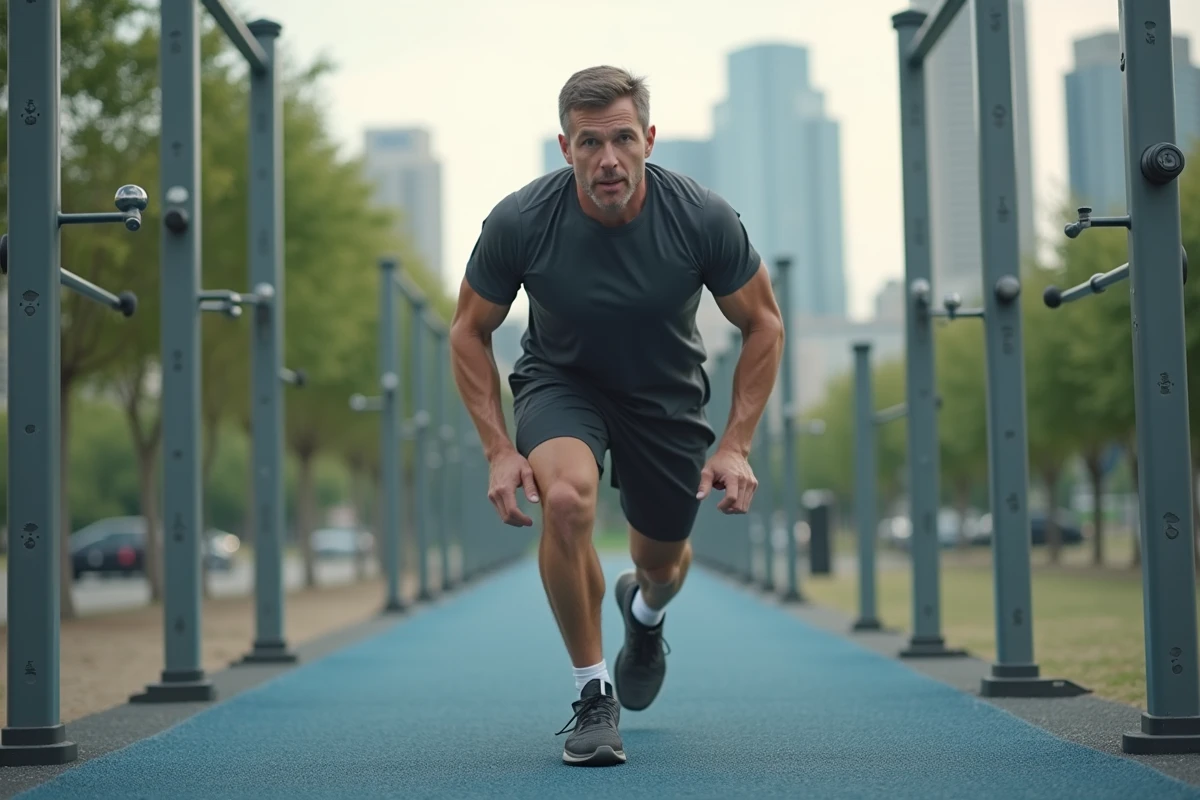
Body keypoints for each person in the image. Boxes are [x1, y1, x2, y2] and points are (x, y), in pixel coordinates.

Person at [448, 65, 784, 767]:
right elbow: (466, 330)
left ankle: (646, 613)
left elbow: (765, 325)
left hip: (664, 399)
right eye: (589, 142)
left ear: (649, 140)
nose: (608, 159)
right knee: (566, 500)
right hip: (561, 382)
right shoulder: (520, 220)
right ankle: (593, 695)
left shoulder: (701, 218)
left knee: (658, 561)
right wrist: (498, 451)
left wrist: (736, 445)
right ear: (564, 146)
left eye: (623, 139)